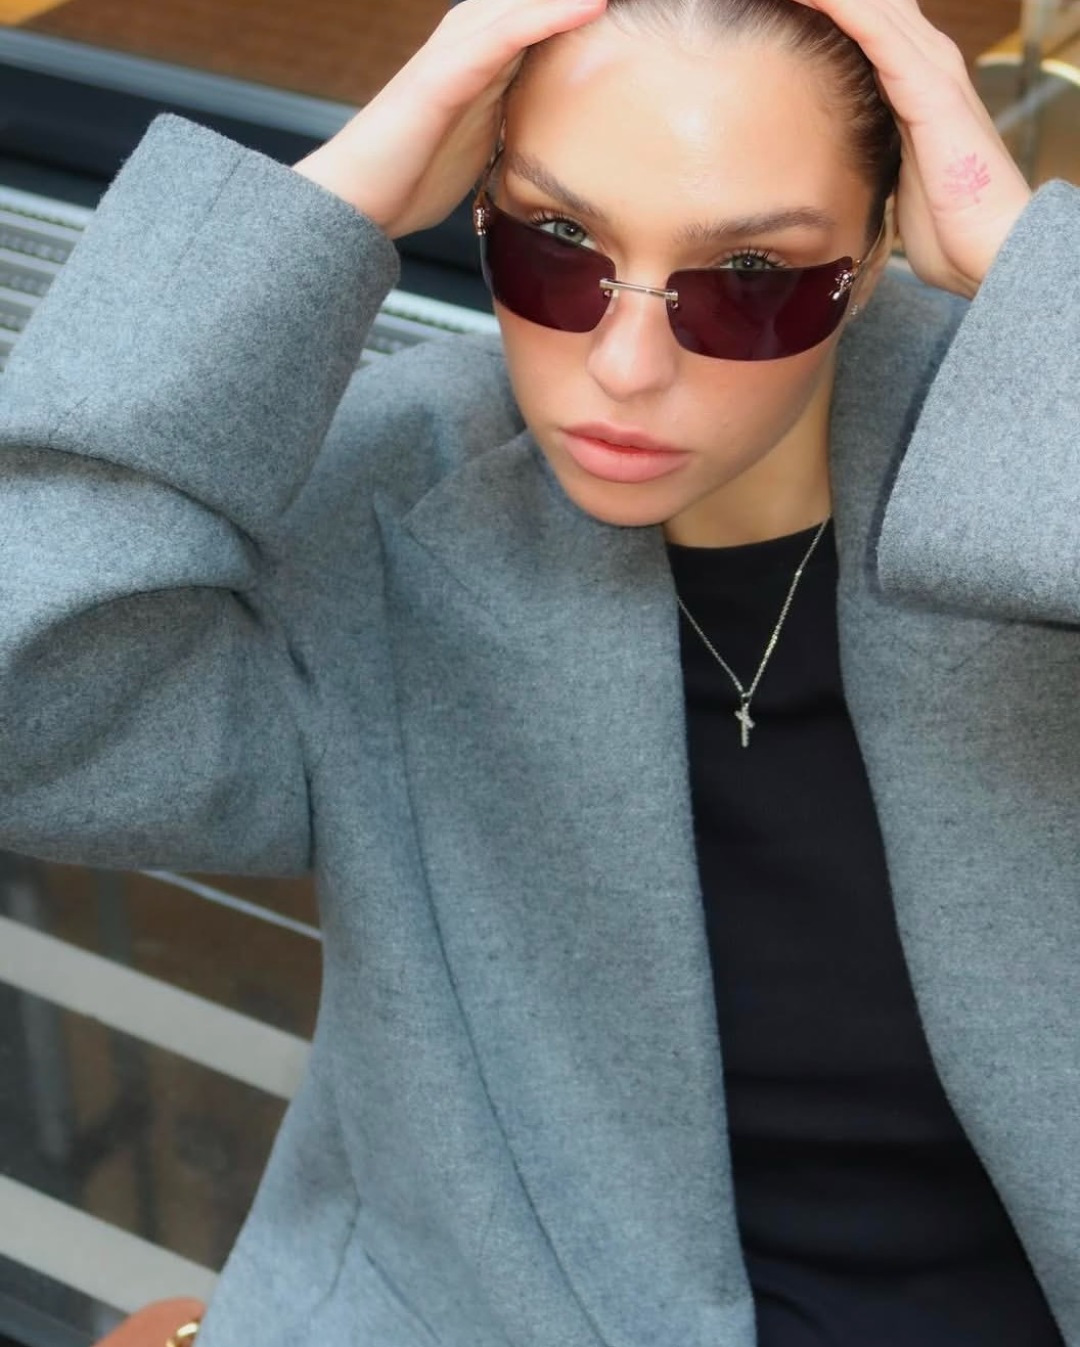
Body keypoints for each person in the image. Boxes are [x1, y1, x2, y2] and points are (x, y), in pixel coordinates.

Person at [0, 0, 1077, 1341]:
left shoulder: (1035, 482)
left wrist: (1035, 282)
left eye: (750, 277)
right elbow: (30, 713)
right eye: (556, 245)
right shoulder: (397, 498)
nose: (623, 367)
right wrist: (335, 198)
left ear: (869, 262)